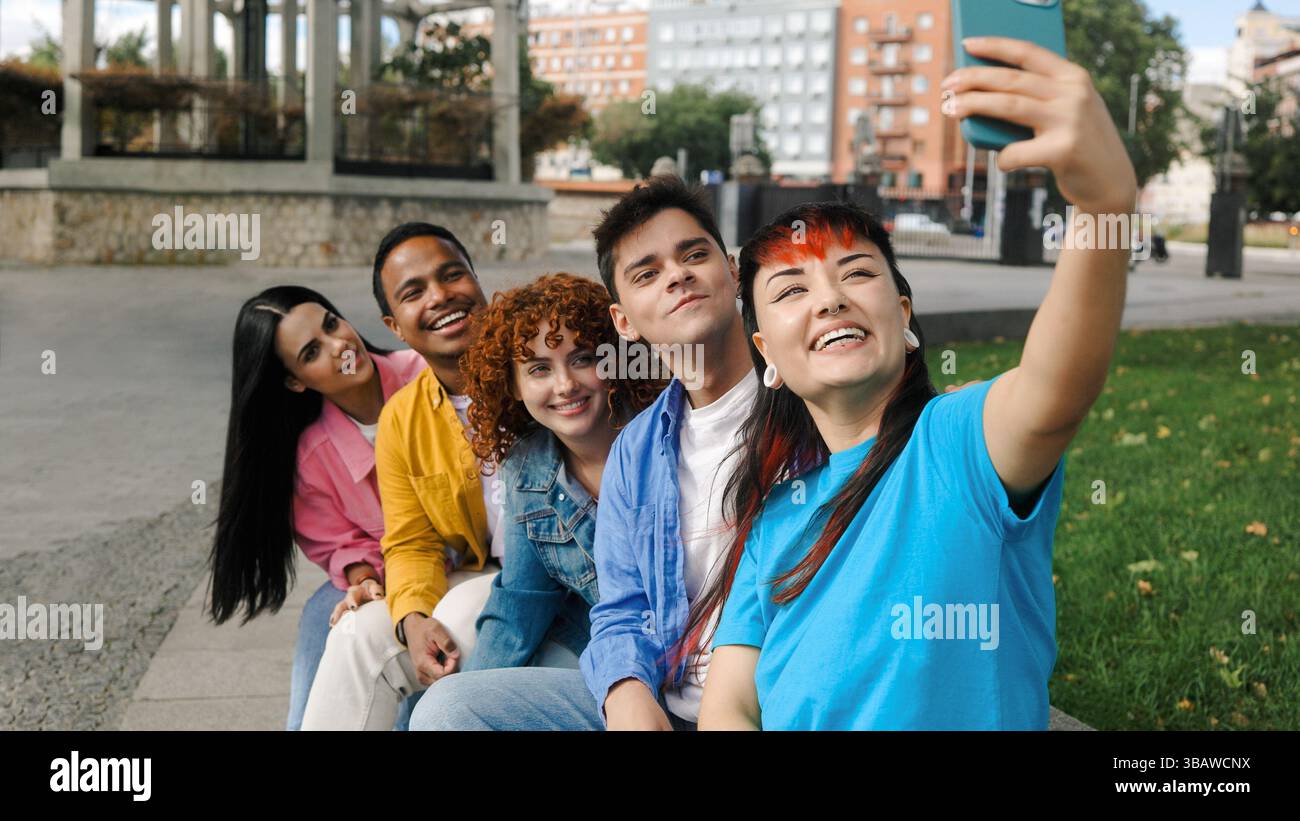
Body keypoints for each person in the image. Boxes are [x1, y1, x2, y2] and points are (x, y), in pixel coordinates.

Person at [697, 36, 1138, 730]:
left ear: (903, 317)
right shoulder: (775, 514)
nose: (830, 299)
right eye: (791, 290)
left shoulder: (959, 441)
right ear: (766, 356)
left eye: (857, 272)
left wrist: (1104, 203)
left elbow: (1059, 386)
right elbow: (730, 703)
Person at [411, 174, 761, 731]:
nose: (677, 275)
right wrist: (624, 687)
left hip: (765, 693)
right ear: (625, 319)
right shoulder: (631, 452)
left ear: (734, 270)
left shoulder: (804, 401)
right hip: (654, 684)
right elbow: (547, 604)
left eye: (694, 255)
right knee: (447, 707)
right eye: (647, 273)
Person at [402, 274, 663, 735]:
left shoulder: (663, 433)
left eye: (582, 359)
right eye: (539, 369)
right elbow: (520, 603)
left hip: (691, 662)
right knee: (434, 709)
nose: (565, 385)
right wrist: (463, 697)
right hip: (610, 659)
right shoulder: (527, 468)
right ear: (513, 385)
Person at [299, 223, 509, 730]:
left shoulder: (542, 367)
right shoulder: (402, 417)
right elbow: (411, 542)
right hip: (482, 572)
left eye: (452, 275)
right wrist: (411, 618)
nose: (439, 297)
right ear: (395, 326)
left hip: (550, 582)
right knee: (357, 632)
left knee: (453, 618)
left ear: (477, 280)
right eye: (414, 293)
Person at [206, 285, 426, 731]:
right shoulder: (310, 457)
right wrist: (365, 581)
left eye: (331, 324)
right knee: (325, 618)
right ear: (295, 381)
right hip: (386, 577)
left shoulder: (424, 375)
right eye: (312, 352)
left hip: (462, 564)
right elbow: (341, 546)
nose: (339, 345)